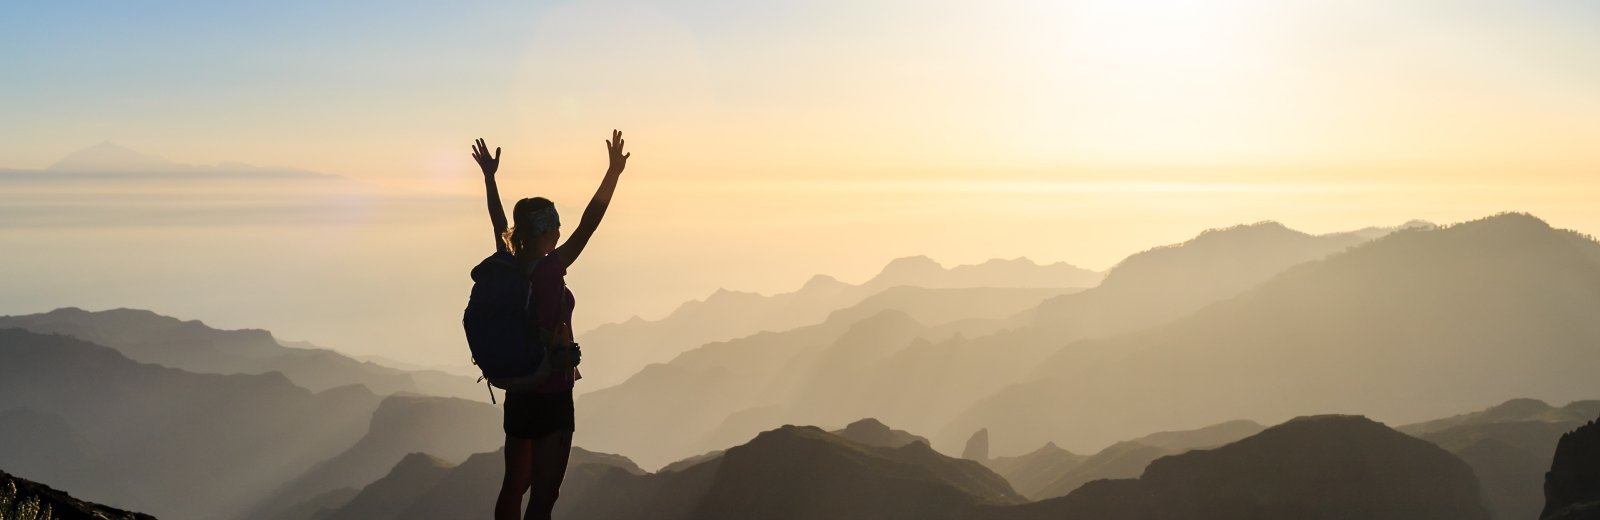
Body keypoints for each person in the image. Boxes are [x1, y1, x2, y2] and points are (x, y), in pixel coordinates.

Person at [472, 131, 630, 520]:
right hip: (553, 389)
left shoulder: (508, 262)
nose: (560, 232)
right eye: (554, 227)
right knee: (544, 496)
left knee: (513, 486)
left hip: (520, 386)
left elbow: (498, 221)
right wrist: (613, 173)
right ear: (545, 231)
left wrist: (489, 177)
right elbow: (589, 224)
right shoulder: (550, 268)